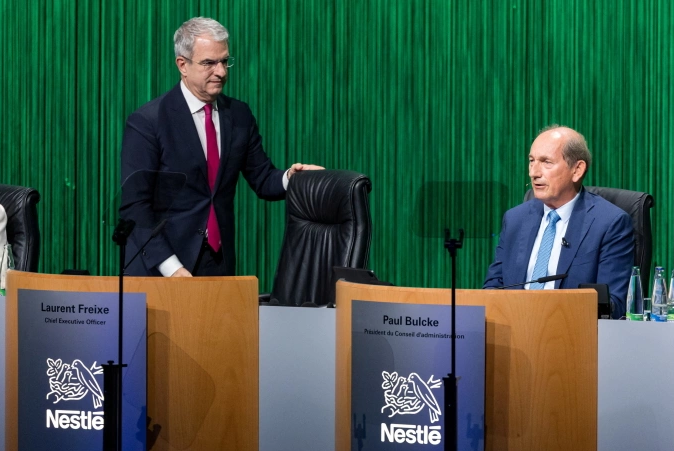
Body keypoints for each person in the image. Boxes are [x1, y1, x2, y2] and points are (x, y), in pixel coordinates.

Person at [120, 17, 322, 277]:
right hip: (161, 268)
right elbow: (135, 207)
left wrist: (291, 178)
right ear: (182, 65)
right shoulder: (148, 121)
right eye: (209, 63)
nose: (222, 72)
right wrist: (172, 268)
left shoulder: (239, 115)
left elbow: (262, 178)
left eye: (225, 61)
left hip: (217, 263)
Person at [483, 125, 634, 318]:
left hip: (572, 330)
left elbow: (612, 305)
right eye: (531, 161)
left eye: (546, 162)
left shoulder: (609, 223)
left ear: (577, 170)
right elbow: (493, 287)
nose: (534, 172)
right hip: (515, 327)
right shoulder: (515, 219)